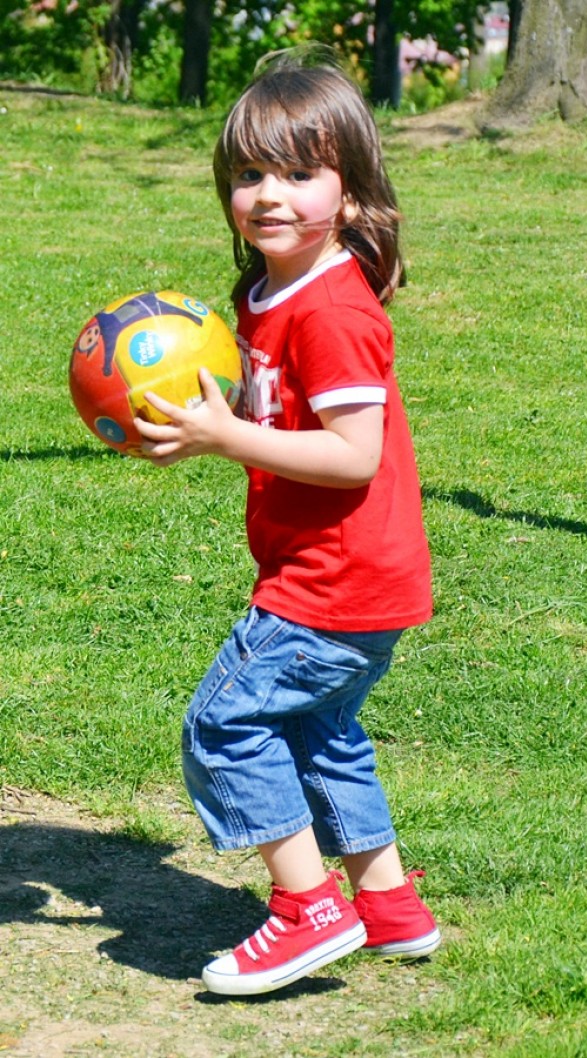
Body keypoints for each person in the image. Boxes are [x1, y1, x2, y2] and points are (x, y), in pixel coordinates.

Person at [134, 48, 441, 997]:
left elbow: (354, 454)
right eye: (249, 174)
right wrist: (208, 423)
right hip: (357, 578)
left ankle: (307, 912)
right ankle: (387, 904)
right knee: (319, 733)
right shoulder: (267, 292)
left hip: (332, 581)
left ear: (350, 194)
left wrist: (228, 439)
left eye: (301, 174)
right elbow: (276, 417)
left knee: (224, 725)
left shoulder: (332, 310)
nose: (270, 195)